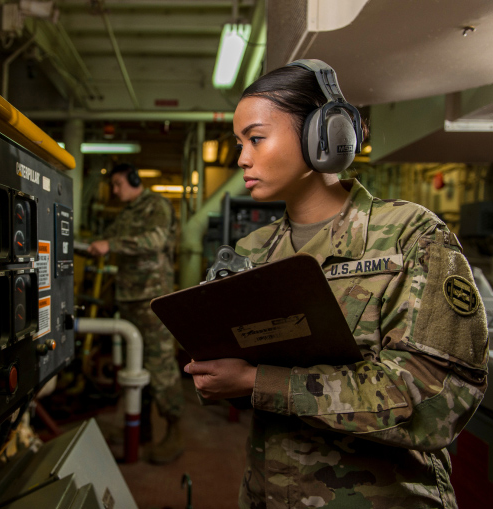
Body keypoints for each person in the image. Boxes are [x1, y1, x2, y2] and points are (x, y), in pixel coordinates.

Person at [184, 60, 489, 508]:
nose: (242, 158)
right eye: (239, 143)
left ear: (323, 136)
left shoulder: (410, 236)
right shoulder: (254, 249)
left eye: (256, 138)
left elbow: (432, 400)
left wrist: (257, 381)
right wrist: (218, 374)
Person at [88, 162, 185, 464]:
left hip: (151, 299)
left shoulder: (156, 206)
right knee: (135, 366)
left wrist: (111, 244)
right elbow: (104, 243)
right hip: (128, 298)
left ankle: (175, 429)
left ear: (132, 179)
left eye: (117, 184)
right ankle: (140, 429)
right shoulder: (127, 213)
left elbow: (154, 241)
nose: (115, 191)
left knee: (160, 367)